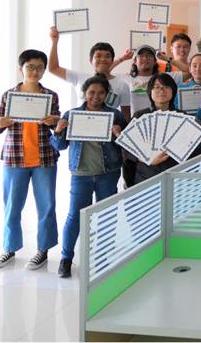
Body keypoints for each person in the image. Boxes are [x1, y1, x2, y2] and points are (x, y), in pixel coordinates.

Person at [0, 49, 60, 270]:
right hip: (15, 158)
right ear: (21, 68)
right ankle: (9, 249)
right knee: (12, 206)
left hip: (44, 158)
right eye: (30, 67)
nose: (35, 71)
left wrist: (54, 121)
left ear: (44, 70)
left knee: (46, 207)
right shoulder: (9, 95)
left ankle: (43, 250)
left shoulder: (51, 96)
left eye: (40, 67)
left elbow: (58, 126)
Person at [50, 75, 127, 278]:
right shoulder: (72, 114)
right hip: (81, 173)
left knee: (107, 216)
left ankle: (102, 257)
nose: (96, 96)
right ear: (84, 93)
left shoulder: (115, 115)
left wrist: (119, 134)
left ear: (107, 94)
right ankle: (66, 258)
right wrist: (58, 130)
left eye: (101, 93)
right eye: (92, 92)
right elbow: (60, 146)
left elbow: (126, 145)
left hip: (108, 173)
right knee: (74, 216)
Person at [49, 27, 131, 120]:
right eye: (98, 56)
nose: (103, 59)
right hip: (80, 125)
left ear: (112, 60)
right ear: (91, 60)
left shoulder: (122, 85)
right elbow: (53, 68)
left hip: (109, 128)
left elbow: (126, 116)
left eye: (107, 56)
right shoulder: (79, 77)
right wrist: (54, 42)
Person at [132, 73, 185, 184]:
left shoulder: (182, 116)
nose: (161, 90)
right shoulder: (140, 116)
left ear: (173, 91)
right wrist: (149, 159)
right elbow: (128, 149)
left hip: (175, 175)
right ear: (150, 91)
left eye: (166, 87)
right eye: (157, 87)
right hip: (146, 176)